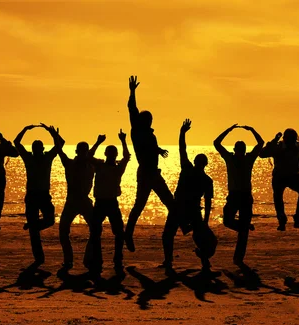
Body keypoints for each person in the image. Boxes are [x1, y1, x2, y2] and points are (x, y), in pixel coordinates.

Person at [124, 75, 174, 252]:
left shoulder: (147, 134)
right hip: (147, 172)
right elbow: (131, 109)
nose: (150, 122)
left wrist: (159, 150)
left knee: (169, 202)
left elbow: (150, 147)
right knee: (141, 204)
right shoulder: (137, 130)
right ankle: (128, 234)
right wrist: (132, 92)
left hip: (153, 172)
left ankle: (182, 226)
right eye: (148, 119)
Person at [162, 119, 217, 274]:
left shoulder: (203, 178)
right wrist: (181, 133)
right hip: (182, 207)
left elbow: (207, 201)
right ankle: (169, 260)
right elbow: (182, 149)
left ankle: (200, 259)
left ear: (202, 163)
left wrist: (182, 133)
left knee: (194, 237)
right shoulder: (193, 172)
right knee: (169, 234)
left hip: (187, 209)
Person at [214, 124, 264, 265]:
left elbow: (217, 143)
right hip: (235, 195)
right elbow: (216, 143)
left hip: (244, 196)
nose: (240, 152)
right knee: (228, 221)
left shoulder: (247, 159)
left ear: (239, 150)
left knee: (241, 231)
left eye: (241, 150)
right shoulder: (231, 158)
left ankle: (238, 258)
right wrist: (251, 130)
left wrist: (230, 130)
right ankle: (244, 226)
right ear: (236, 150)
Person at [14, 123, 62, 266]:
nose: (36, 150)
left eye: (38, 148)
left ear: (42, 149)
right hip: (32, 195)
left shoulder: (47, 157)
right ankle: (39, 258)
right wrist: (24, 129)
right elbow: (16, 142)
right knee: (34, 233)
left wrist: (52, 132)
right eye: (34, 148)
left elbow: (61, 144)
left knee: (49, 220)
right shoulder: (28, 157)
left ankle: (32, 225)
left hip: (43, 194)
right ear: (33, 149)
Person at [260, 120, 299, 231]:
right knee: (279, 197)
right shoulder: (279, 146)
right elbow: (262, 154)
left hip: (292, 175)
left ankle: (296, 219)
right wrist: (274, 140)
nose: (291, 142)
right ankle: (284, 221)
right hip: (281, 176)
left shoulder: (298, 145)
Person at [54, 131, 103, 270]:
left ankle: (88, 257)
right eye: (80, 151)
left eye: (85, 151)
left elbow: (93, 158)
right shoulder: (70, 164)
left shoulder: (91, 165)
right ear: (76, 151)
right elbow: (59, 151)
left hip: (85, 201)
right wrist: (55, 137)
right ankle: (68, 260)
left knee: (95, 230)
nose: (83, 154)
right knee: (63, 231)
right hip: (71, 202)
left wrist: (98, 143)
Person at [88, 129, 131, 275]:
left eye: (113, 153)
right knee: (96, 233)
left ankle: (117, 258)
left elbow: (127, 157)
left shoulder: (117, 168)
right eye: (110, 153)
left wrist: (124, 141)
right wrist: (98, 142)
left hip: (111, 202)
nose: (112, 155)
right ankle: (98, 259)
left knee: (118, 232)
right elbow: (89, 156)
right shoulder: (99, 166)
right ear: (107, 154)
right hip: (100, 203)